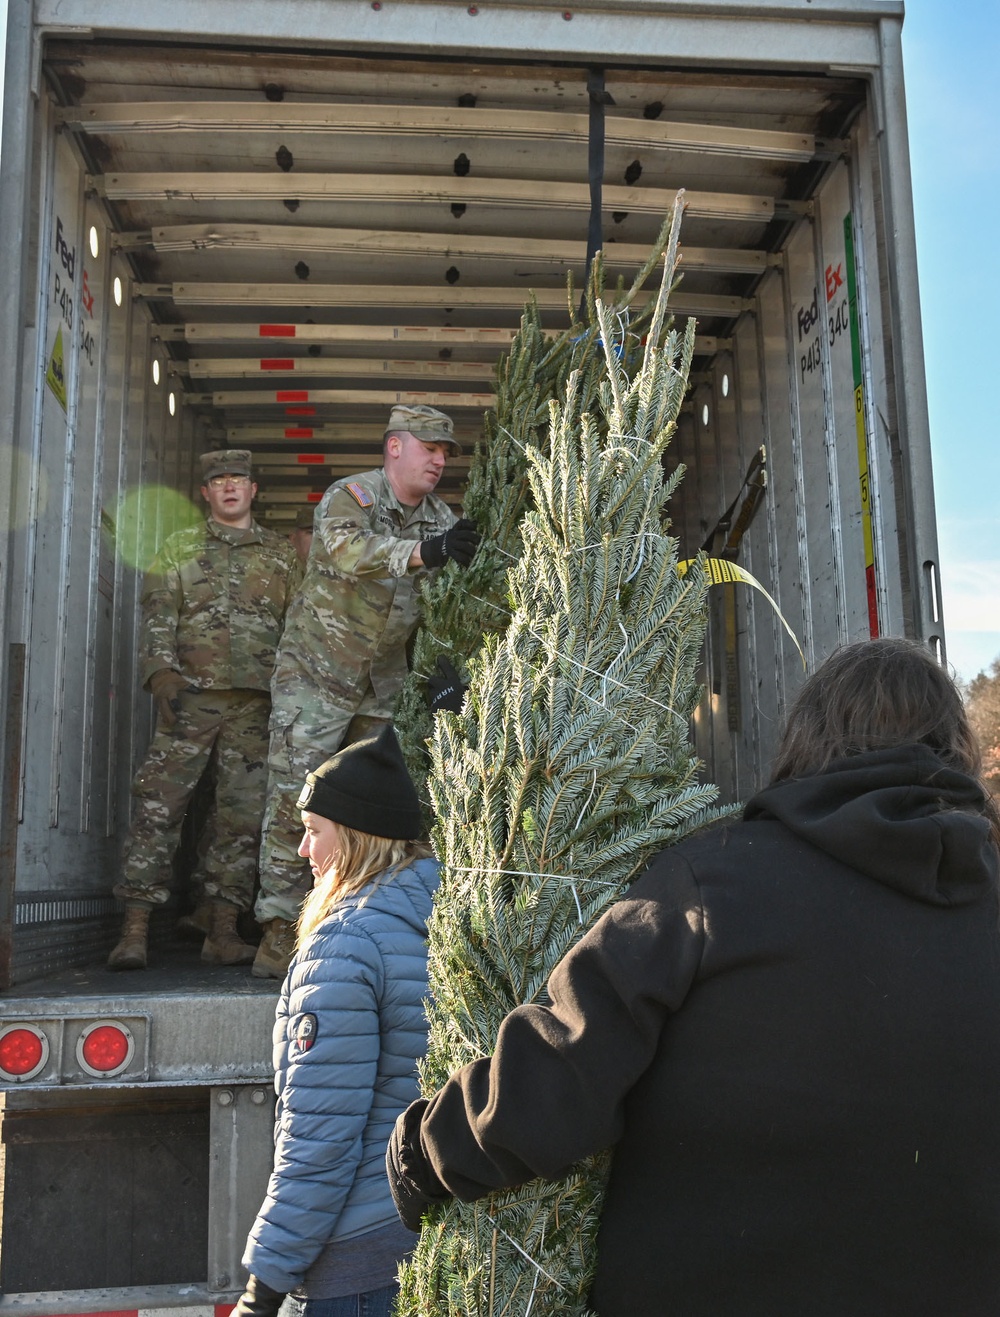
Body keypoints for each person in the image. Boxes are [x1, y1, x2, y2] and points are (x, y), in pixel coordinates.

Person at [387, 638, 1000, 1316]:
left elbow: (562, 1068)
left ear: (809, 739)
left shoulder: (713, 884)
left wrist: (422, 1150)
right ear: (956, 753)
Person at [252, 404, 479, 978]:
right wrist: (422, 553)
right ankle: (280, 931)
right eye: (429, 446)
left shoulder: (441, 517)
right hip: (315, 677)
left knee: (370, 808)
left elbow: (447, 602)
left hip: (382, 686)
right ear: (394, 446)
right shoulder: (352, 496)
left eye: (446, 451)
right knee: (293, 799)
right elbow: (346, 551)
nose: (439, 458)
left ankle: (357, 918)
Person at [235, 725, 440, 1317]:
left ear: (353, 839)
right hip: (425, 1233)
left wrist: (265, 1284)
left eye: (313, 832)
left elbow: (320, 1137)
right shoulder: (445, 917)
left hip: (356, 1258)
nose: (304, 852)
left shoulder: (345, 945)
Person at [108, 449, 300, 971]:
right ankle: (134, 929)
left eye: (240, 479)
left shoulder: (281, 555)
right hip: (189, 701)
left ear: (254, 490)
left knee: (239, 818)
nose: (231, 487)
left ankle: (221, 929)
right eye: (220, 481)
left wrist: (294, 693)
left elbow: (298, 629)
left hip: (255, 707)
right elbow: (156, 614)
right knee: (159, 805)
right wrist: (161, 673)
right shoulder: (179, 549)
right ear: (206, 492)